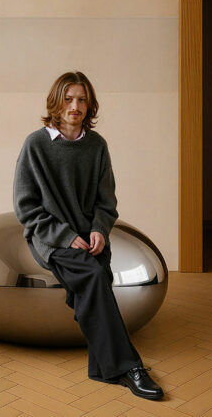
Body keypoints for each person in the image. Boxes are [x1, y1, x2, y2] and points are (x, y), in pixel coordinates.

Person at [12, 71, 164, 400]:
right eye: (68, 99)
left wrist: (98, 229)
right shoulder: (35, 145)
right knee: (95, 276)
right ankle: (130, 367)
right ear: (56, 102)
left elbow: (106, 202)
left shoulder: (97, 147)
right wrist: (65, 236)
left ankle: (102, 368)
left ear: (89, 105)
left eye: (82, 99)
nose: (75, 106)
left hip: (88, 234)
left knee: (98, 274)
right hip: (50, 237)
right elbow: (26, 207)